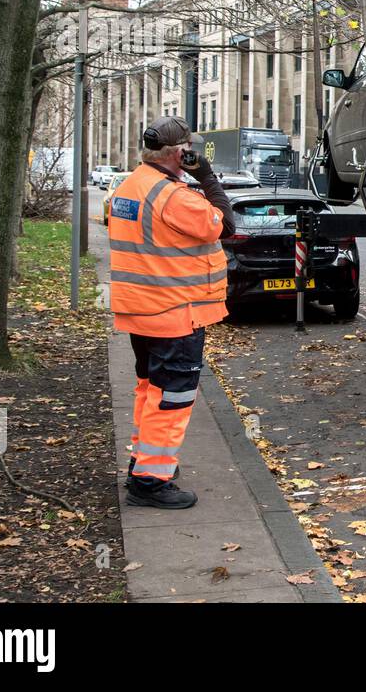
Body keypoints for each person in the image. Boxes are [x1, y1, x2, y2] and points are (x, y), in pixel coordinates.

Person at [108, 116, 235, 509]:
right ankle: (150, 481)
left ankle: (143, 461)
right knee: (172, 398)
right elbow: (224, 223)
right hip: (175, 313)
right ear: (181, 152)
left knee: (151, 389)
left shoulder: (129, 186)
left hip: (142, 310)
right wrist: (208, 177)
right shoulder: (175, 198)